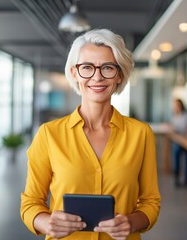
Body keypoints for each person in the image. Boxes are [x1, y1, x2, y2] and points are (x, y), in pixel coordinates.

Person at [20, 28, 161, 240]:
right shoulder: (49, 134)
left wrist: (131, 222)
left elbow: (151, 202)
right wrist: (47, 222)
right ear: (75, 72)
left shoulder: (141, 134)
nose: (97, 77)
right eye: (87, 67)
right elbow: (30, 202)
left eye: (107, 68)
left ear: (119, 74)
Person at [170, 98, 187, 187]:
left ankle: (185, 179)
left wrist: (174, 128)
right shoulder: (174, 116)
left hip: (185, 142)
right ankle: (177, 177)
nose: (175, 107)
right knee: (176, 152)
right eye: (175, 106)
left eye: (177, 105)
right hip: (177, 141)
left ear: (181, 106)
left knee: (178, 153)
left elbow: (182, 129)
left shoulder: (185, 116)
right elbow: (173, 127)